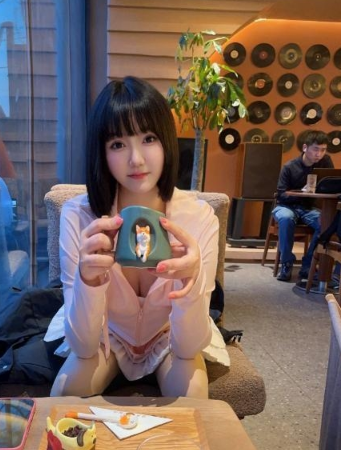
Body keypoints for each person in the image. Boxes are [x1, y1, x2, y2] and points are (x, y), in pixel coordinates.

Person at [48, 76, 227, 399]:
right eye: (118, 144)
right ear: (101, 152)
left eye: (148, 138)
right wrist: (88, 280)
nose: (137, 159)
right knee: (65, 392)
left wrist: (191, 282)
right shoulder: (78, 215)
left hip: (169, 333)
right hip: (108, 332)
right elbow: (83, 347)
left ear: (166, 141)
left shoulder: (199, 217)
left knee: (193, 398)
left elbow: (187, 348)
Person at [273, 130, 334, 282]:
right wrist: (301, 192)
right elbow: (280, 194)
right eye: (315, 149)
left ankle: (308, 264)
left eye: (323, 150)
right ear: (305, 148)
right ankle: (286, 262)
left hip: (309, 208)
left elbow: (332, 185)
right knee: (286, 219)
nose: (319, 154)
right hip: (287, 205)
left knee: (326, 223)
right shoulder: (289, 167)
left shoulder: (325, 162)